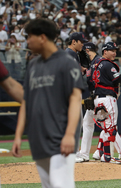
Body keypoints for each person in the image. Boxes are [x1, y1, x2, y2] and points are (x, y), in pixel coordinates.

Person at [11, 19, 84, 188]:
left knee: (61, 185)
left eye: (30, 37)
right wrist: (17, 136)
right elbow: (26, 102)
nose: (27, 41)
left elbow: (75, 100)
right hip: (38, 139)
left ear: (42, 37)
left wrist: (69, 134)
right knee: (49, 186)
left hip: (60, 137)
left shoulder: (67, 63)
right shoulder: (33, 65)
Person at [76, 42, 121, 163]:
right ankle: (109, 154)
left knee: (105, 126)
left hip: (99, 97)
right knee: (109, 127)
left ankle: (100, 153)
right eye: (112, 50)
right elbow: (117, 79)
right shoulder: (101, 63)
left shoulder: (97, 63)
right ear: (105, 51)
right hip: (103, 98)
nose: (115, 52)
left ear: (88, 51)